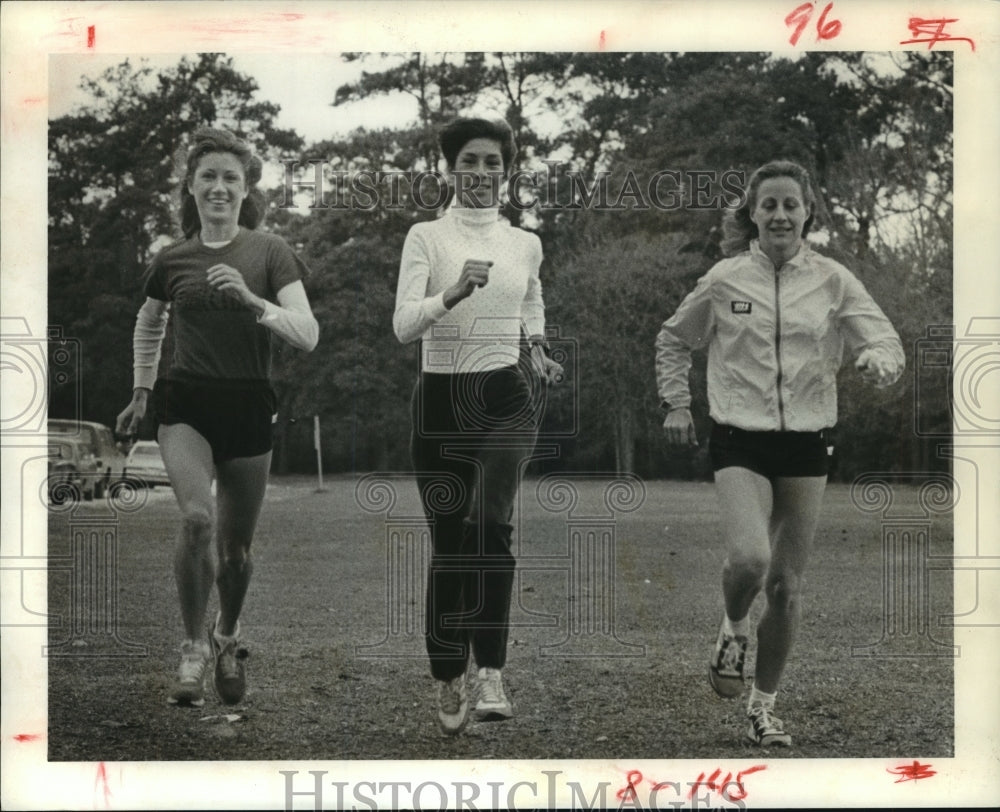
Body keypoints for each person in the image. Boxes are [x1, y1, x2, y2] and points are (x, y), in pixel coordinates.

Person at [655, 160, 904, 747]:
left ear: (807, 213)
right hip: (740, 437)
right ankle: (733, 625)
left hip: (807, 442)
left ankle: (763, 708)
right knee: (749, 560)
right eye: (768, 204)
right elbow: (673, 339)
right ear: (752, 214)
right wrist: (676, 403)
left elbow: (884, 338)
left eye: (791, 204)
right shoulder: (723, 280)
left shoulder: (834, 280)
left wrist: (880, 361)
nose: (780, 215)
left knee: (788, 586)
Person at [116, 127, 319, 707]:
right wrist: (141, 390)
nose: (220, 187)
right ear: (191, 187)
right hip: (186, 404)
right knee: (195, 521)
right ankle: (191, 648)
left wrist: (254, 302)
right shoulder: (172, 259)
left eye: (231, 177)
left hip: (249, 404)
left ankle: (226, 635)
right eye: (209, 176)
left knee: (235, 553)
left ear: (246, 186)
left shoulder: (270, 252)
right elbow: (149, 322)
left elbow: (307, 335)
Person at [393, 117, 563, 734]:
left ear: (507, 170)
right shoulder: (426, 237)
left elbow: (530, 299)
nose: (482, 173)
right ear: (450, 167)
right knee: (452, 540)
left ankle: (491, 668)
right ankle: (448, 671)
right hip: (441, 396)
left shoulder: (525, 242)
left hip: (504, 391)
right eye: (470, 161)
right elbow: (404, 325)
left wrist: (537, 347)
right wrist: (454, 293)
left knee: (491, 522)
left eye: (493, 162)